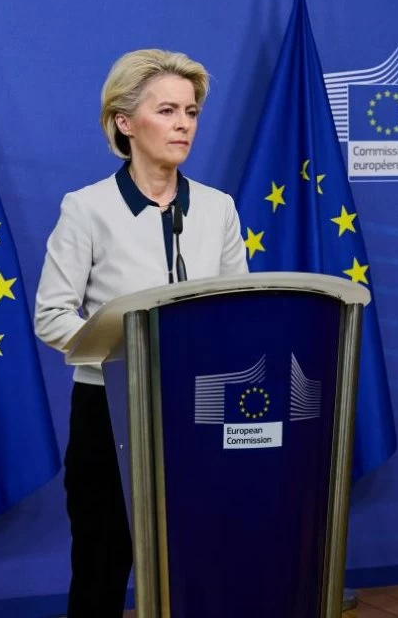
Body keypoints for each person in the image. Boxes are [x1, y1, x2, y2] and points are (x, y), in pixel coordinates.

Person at [34, 49, 248, 617]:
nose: (184, 124)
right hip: (109, 414)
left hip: (200, 412)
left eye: (192, 111)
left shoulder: (219, 209)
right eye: (168, 110)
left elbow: (240, 311)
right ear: (124, 123)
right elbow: (52, 315)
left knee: (201, 564)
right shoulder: (87, 209)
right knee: (102, 567)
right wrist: (138, 350)